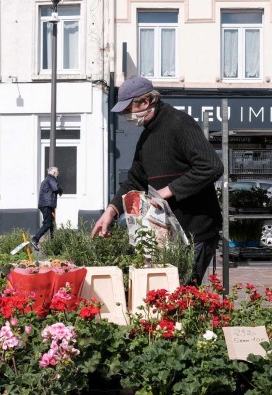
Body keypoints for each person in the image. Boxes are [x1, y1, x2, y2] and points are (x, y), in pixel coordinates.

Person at [91, 76, 223, 285]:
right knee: (167, 295)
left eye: (129, 109)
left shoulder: (179, 123)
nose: (127, 115)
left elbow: (211, 166)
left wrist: (168, 191)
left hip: (196, 231)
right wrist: (111, 210)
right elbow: (135, 179)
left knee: (183, 295)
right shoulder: (146, 137)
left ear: (145, 102)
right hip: (169, 234)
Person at [31, 167, 62, 251]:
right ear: (54, 172)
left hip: (46, 204)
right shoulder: (51, 178)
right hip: (47, 205)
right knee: (47, 224)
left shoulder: (46, 180)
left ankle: (54, 245)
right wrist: (60, 191)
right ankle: (35, 239)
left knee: (52, 224)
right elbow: (56, 188)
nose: (58, 174)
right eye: (57, 172)